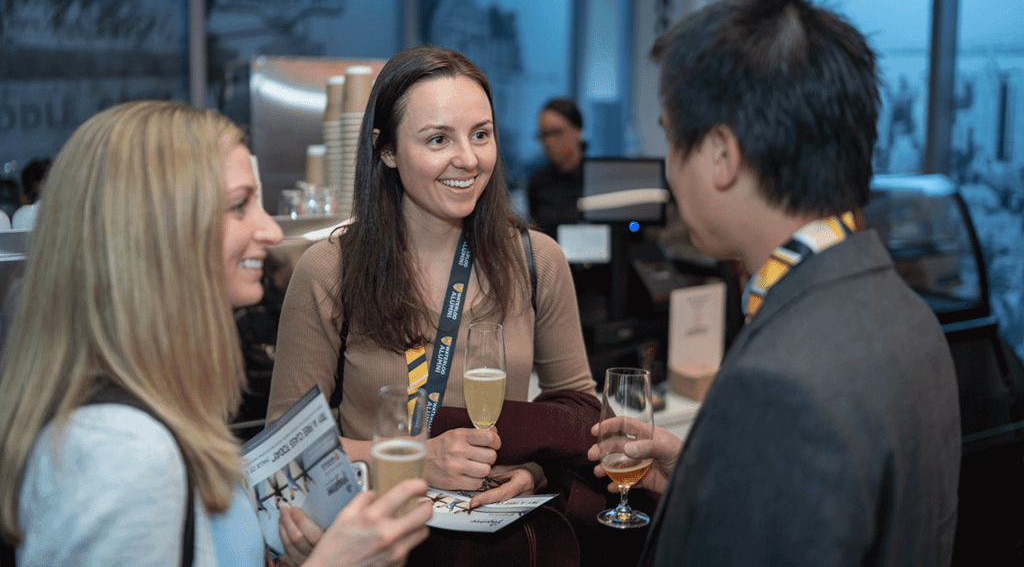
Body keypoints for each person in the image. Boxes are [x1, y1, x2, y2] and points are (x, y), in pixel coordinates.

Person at [588, 0, 961, 566]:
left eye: (668, 135)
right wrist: (702, 480)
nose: (667, 167)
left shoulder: (780, 384)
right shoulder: (906, 313)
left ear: (720, 154)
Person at [0, 101, 431, 567]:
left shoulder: (157, 407)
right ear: (155, 232)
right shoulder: (121, 452)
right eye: (239, 205)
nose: (268, 230)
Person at [267, 45, 597, 509]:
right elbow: (286, 451)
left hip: (498, 538)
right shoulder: (330, 270)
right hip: (376, 538)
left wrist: (533, 472)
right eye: (438, 140)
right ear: (387, 151)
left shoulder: (537, 260)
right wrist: (416, 459)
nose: (468, 159)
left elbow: (577, 411)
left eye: (481, 135)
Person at [526, 98, 585, 239]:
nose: (549, 142)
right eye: (544, 135)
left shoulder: (597, 177)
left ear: (577, 131)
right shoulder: (537, 182)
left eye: (556, 132)